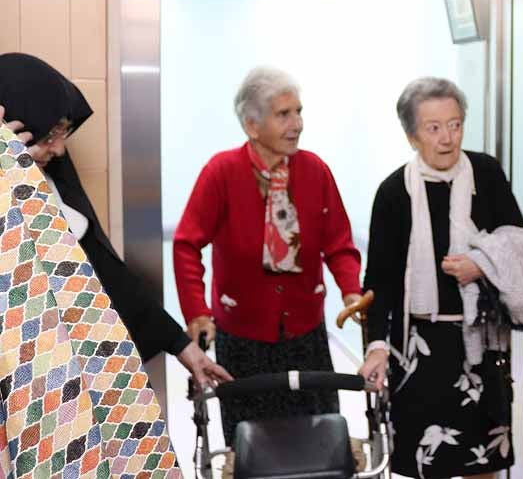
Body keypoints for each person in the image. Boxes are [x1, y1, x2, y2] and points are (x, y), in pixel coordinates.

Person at [0, 53, 230, 388]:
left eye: (65, 131)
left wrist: (182, 346)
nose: (61, 149)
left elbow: (105, 275)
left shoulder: (53, 178)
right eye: (51, 133)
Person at [173, 66, 362, 444]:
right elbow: (186, 244)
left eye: (299, 112)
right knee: (252, 445)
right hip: (242, 338)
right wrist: (196, 312)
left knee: (318, 440)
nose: (298, 124)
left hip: (305, 335)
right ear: (252, 125)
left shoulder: (315, 170)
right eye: (284, 114)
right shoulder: (222, 172)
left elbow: (338, 243)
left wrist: (350, 291)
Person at [359, 77, 523, 479]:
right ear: (411, 135)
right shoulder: (394, 192)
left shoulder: (485, 173)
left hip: (479, 345)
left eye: (455, 124)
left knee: (482, 462)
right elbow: (379, 279)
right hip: (418, 347)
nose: (447, 138)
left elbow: (520, 242)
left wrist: (481, 265)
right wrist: (377, 347)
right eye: (434, 128)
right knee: (423, 462)